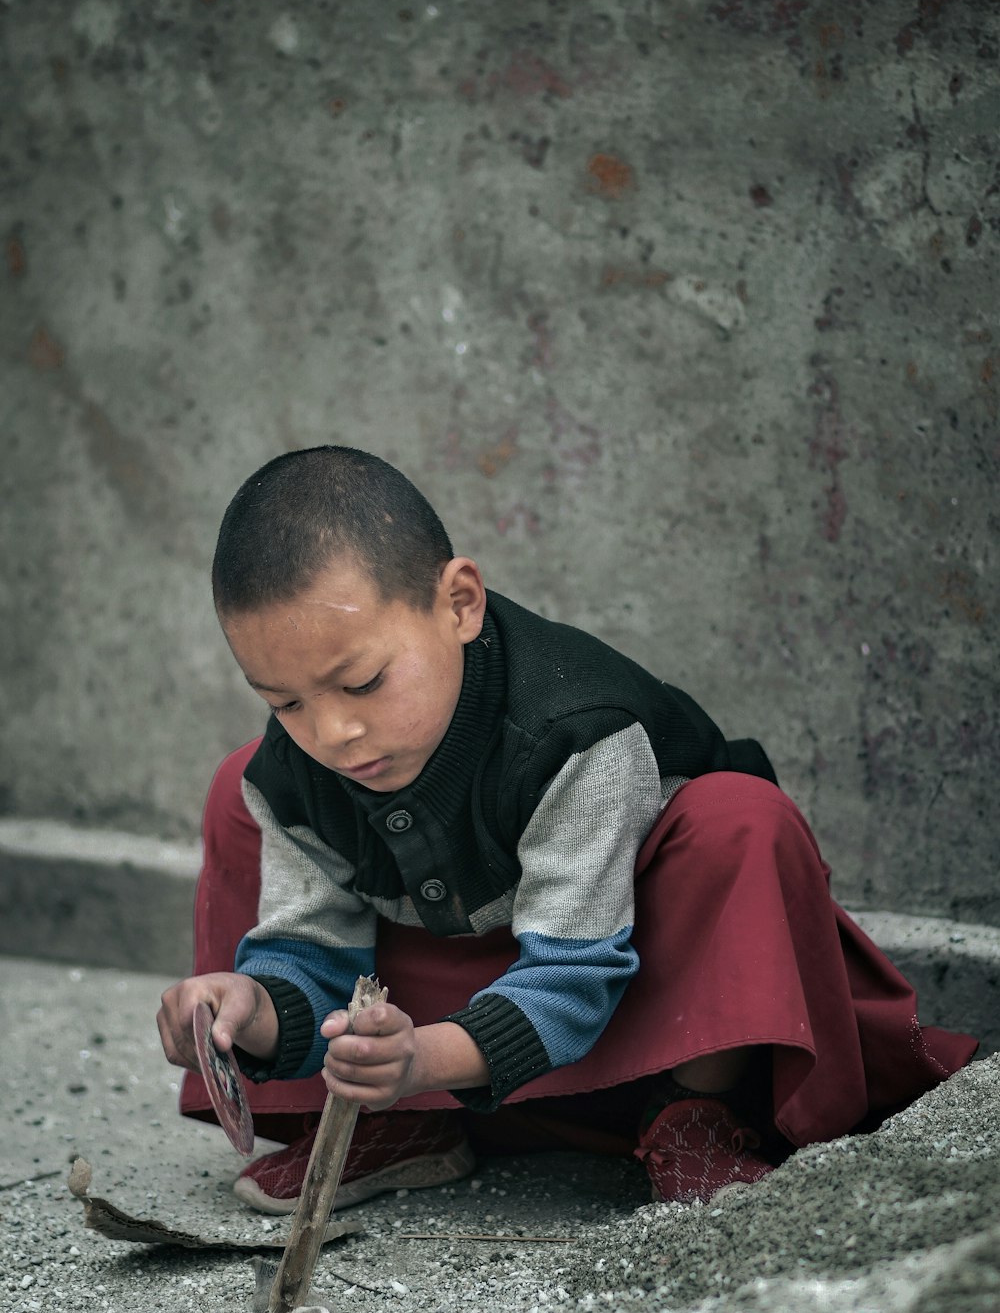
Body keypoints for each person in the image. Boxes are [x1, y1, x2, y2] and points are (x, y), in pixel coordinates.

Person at [157, 445, 977, 1211]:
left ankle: (693, 1111)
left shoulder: (576, 731)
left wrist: (418, 1061)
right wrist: (249, 1009)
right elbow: (313, 957)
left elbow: (575, 977)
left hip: (635, 976)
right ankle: (399, 1120)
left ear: (460, 604)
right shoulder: (299, 770)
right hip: (460, 1002)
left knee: (740, 820)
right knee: (240, 783)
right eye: (287, 702)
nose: (334, 733)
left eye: (364, 682)